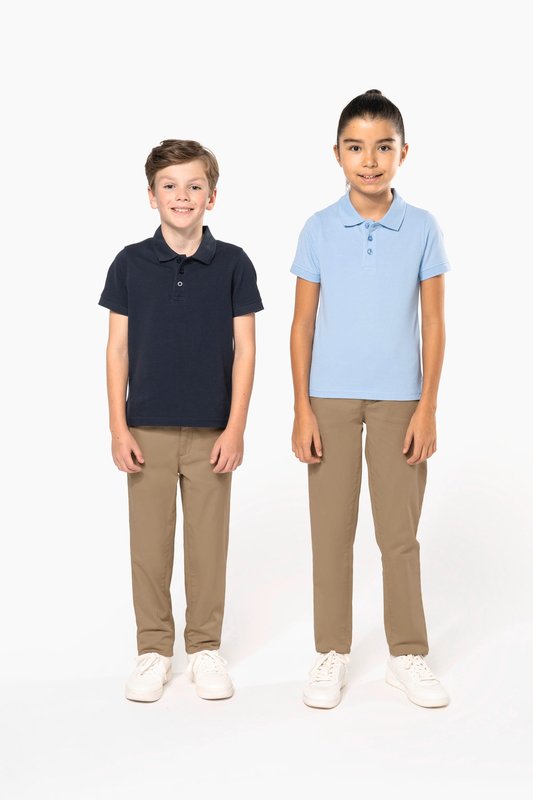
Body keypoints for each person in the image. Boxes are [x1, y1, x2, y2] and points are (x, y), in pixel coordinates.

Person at [290, 90, 451, 710]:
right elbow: (302, 324)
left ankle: (407, 654)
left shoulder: (423, 227)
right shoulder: (318, 228)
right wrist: (302, 408)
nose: (370, 160)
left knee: (399, 535)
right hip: (328, 399)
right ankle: (330, 650)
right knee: (331, 533)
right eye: (356, 148)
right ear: (337, 154)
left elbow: (433, 323)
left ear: (403, 153)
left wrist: (427, 407)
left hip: (400, 402)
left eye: (384, 147)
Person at [98, 139, 263, 703]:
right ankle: (153, 650)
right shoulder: (129, 263)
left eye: (195, 186)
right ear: (152, 196)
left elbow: (246, 349)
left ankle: (205, 648)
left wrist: (236, 428)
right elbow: (117, 349)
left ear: (212, 196)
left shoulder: (234, 263)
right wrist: (118, 427)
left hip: (213, 430)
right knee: (149, 546)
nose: (182, 195)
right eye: (169, 186)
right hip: (145, 427)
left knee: (207, 545)